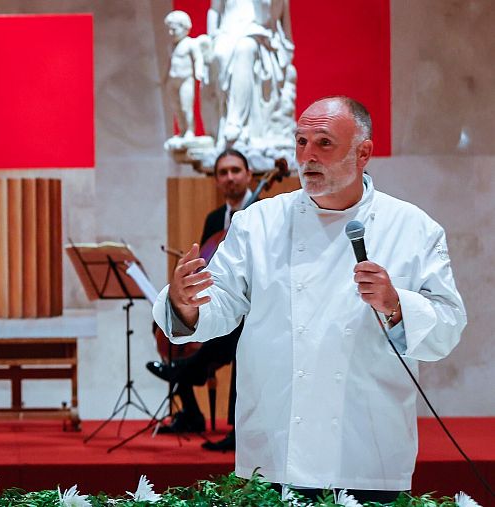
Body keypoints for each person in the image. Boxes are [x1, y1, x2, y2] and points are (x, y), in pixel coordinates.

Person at [154, 96, 466, 503]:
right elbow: (223, 302)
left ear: (363, 153)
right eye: (301, 142)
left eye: (324, 143)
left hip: (368, 449)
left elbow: (448, 327)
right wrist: (187, 305)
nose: (308, 156)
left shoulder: (413, 228)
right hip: (277, 442)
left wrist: (396, 305)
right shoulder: (258, 223)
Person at [148, 149, 250, 449]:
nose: (230, 178)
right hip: (220, 294)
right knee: (168, 320)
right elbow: (208, 261)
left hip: (253, 304)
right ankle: (191, 412)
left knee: (237, 332)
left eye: (235, 170)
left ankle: (236, 430)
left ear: (249, 175)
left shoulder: (262, 213)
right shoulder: (215, 218)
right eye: (223, 173)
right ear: (216, 180)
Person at [199, 0, 296, 156]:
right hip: (226, 32)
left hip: (259, 33)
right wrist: (212, 35)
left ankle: (236, 121)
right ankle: (221, 125)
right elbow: (214, 10)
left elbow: (274, 20)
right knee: (219, 55)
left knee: (245, 48)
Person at [162, 10, 212, 151]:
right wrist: (164, 78)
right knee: (176, 108)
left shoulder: (191, 43)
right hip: (173, 80)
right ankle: (182, 130)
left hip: (186, 80)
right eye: (169, 30)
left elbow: (198, 58)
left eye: (174, 29)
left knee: (186, 107)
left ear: (184, 27)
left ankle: (190, 130)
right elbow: (169, 63)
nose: (171, 33)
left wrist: (199, 71)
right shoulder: (171, 46)